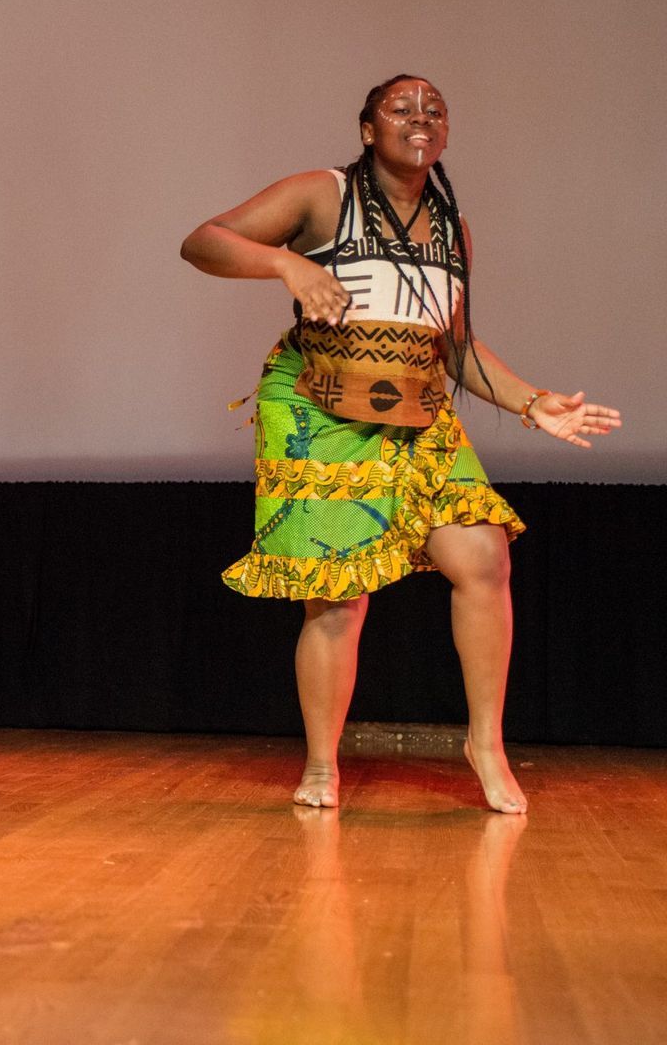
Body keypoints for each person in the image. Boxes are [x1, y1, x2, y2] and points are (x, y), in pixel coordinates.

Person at [180, 75, 621, 814]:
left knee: (484, 556)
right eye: (401, 109)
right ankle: (323, 761)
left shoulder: (452, 226)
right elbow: (203, 242)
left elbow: (455, 349)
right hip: (321, 406)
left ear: (445, 134)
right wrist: (290, 263)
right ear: (366, 129)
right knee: (337, 596)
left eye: (434, 111)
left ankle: (485, 742)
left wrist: (532, 402)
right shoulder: (323, 194)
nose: (420, 118)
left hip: (416, 406)